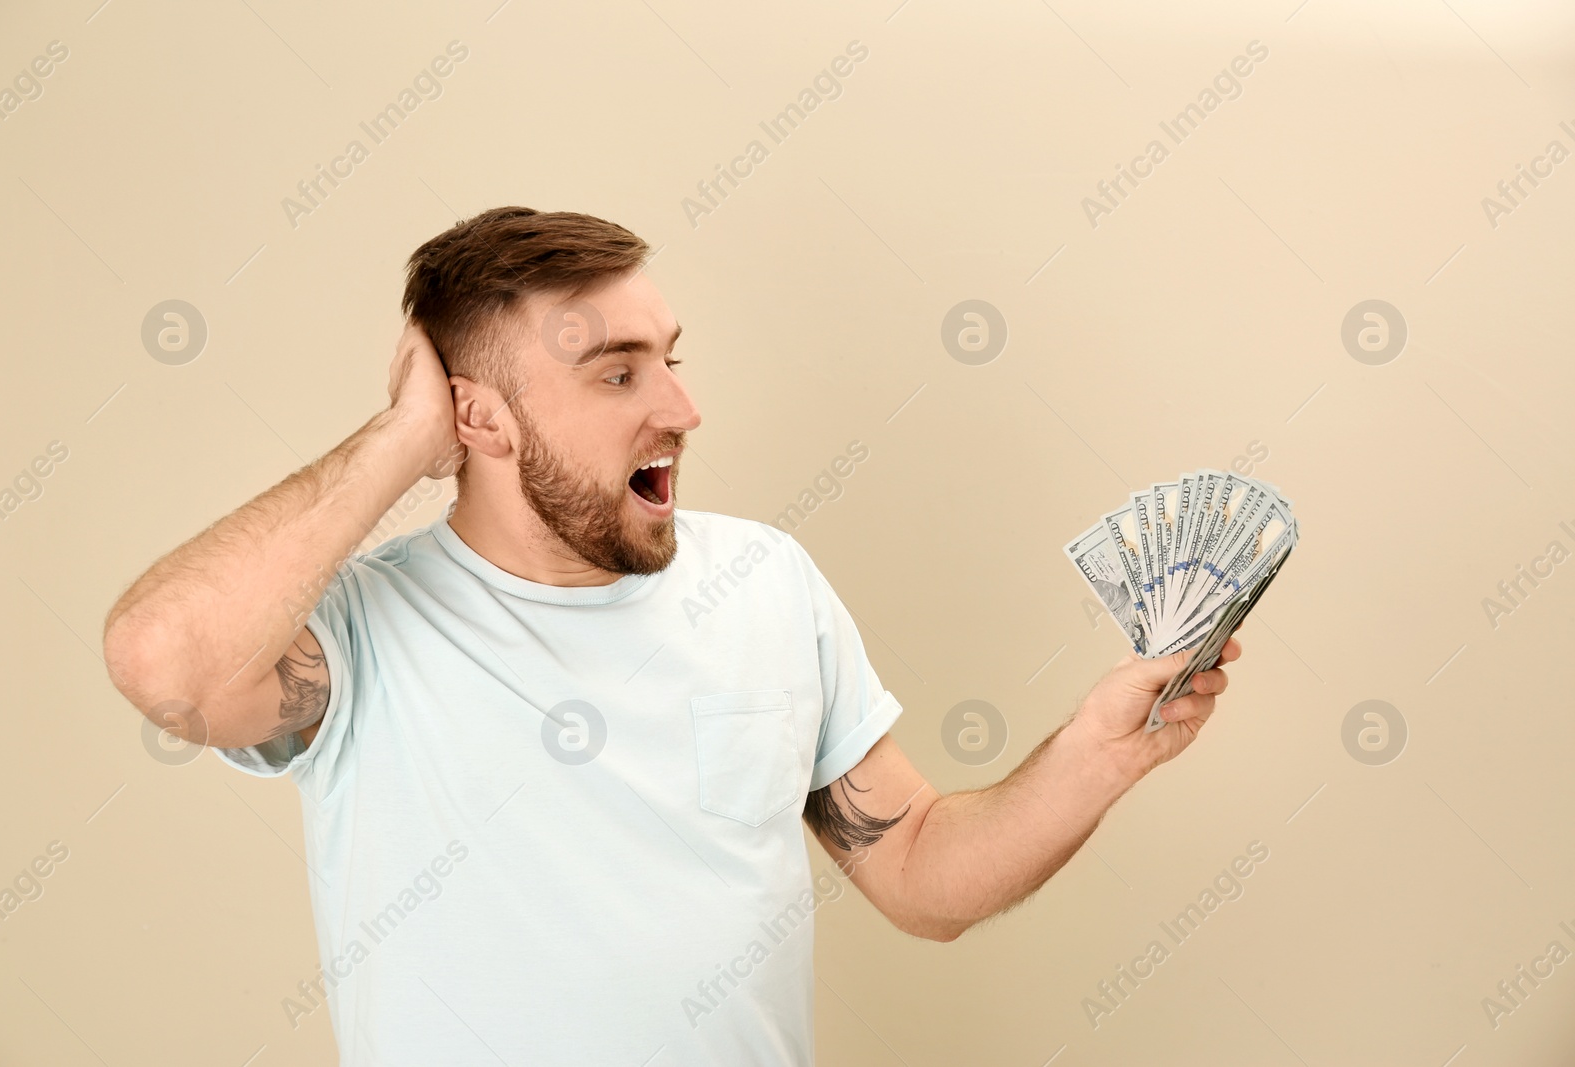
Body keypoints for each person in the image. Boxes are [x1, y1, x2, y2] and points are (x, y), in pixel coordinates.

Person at [101, 206, 1242, 1066]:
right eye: (616, 373)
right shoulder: (357, 636)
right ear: (477, 415)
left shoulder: (764, 583)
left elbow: (921, 875)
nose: (681, 409)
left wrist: (1103, 750)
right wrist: (399, 438)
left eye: (669, 358)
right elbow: (164, 663)